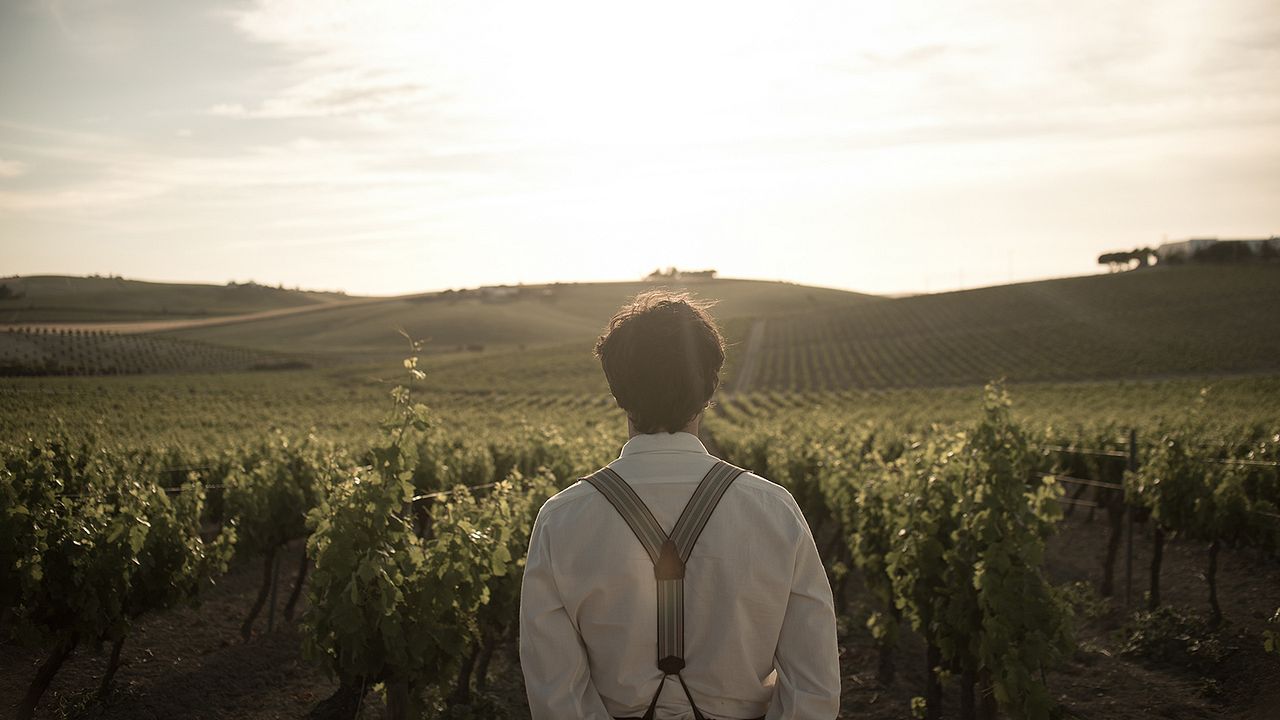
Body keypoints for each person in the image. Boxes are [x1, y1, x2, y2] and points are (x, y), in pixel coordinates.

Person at [519, 291, 840, 720]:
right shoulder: (774, 510)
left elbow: (556, 695)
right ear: (710, 388)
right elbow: (814, 688)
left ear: (617, 391)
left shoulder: (561, 519)